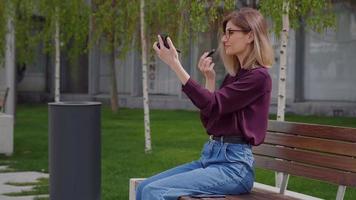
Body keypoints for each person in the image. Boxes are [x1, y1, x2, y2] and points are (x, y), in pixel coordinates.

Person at [136, 7, 274, 200]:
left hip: (234, 168)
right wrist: (209, 80)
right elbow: (212, 122)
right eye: (224, 33)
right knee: (144, 187)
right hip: (211, 159)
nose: (224, 39)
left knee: (155, 192)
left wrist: (175, 64)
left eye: (231, 33)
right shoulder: (234, 77)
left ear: (250, 36)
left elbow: (214, 104)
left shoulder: (259, 77)